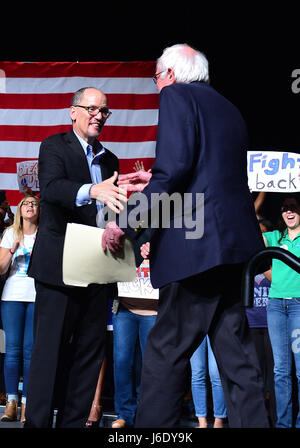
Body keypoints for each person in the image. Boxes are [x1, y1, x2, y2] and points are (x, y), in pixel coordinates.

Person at [102, 44, 269, 428]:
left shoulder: (177, 96)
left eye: (157, 77)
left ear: (171, 75)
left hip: (197, 250)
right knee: (238, 358)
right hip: (233, 247)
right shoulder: (229, 107)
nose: (158, 85)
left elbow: (175, 169)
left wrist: (125, 222)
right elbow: (204, 174)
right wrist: (158, 176)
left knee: (164, 353)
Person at [24, 87, 128, 428]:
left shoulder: (110, 160)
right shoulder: (55, 146)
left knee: (88, 356)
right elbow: (51, 188)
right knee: (48, 353)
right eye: (92, 109)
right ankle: (37, 423)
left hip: (97, 269)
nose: (99, 116)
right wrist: (91, 190)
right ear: (73, 111)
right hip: (59, 269)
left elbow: (113, 212)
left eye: (105, 112)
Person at [0, 195, 39, 423]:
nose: (30, 206)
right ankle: (11, 404)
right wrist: (12, 251)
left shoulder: (45, 234)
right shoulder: (10, 234)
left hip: (37, 298)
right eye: (26, 203)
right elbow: (2, 268)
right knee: (13, 351)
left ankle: (28, 405)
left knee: (31, 351)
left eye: (34, 203)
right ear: (19, 209)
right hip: (12, 297)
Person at [262, 193, 300, 428]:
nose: (289, 211)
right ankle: (284, 425)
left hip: (298, 306)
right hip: (276, 306)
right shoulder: (276, 237)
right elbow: (250, 229)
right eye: (285, 208)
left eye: (294, 207)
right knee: (280, 371)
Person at [111, 258, 158, 428]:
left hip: (154, 310)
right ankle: (124, 414)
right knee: (122, 362)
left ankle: (146, 413)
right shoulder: (125, 231)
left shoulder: (164, 232)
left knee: (150, 366)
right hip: (125, 307)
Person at [190, 335, 227, 428]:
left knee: (216, 373)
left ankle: (219, 422)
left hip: (216, 323)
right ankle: (202, 422)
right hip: (194, 323)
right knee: (197, 373)